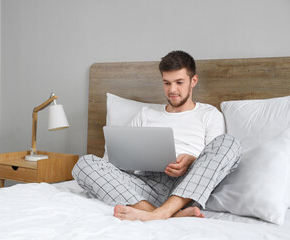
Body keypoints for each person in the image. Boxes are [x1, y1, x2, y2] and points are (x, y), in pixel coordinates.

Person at [72, 50, 242, 221]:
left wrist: (191, 160)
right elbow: (113, 161)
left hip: (186, 184)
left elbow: (213, 161)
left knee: (229, 142)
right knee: (85, 163)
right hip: (143, 184)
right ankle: (164, 213)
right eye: (167, 83)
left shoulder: (209, 114)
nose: (172, 90)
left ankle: (160, 213)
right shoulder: (145, 114)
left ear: (193, 81)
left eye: (179, 82)